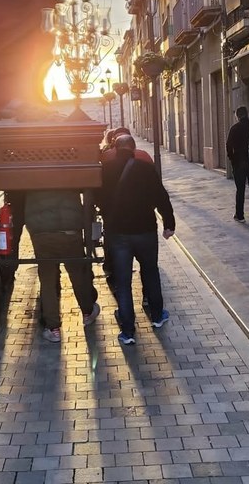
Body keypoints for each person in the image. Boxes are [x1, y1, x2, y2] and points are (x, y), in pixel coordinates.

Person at [99, 135, 175, 345]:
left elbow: (97, 198)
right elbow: (162, 197)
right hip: (145, 231)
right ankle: (158, 316)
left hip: (118, 233)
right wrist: (169, 224)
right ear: (133, 148)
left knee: (123, 282)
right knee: (150, 271)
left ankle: (128, 331)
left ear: (115, 148)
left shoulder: (105, 170)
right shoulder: (145, 168)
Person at [24, 189, 100, 343]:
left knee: (47, 281)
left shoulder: (31, 174)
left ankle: (53, 328)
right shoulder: (68, 171)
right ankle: (87, 312)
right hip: (69, 229)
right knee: (78, 274)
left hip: (42, 233)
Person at [226, 107, 249, 225]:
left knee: (240, 190)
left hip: (239, 163)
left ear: (237, 116)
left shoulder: (234, 128)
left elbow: (228, 145)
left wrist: (232, 159)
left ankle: (240, 215)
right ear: (247, 114)